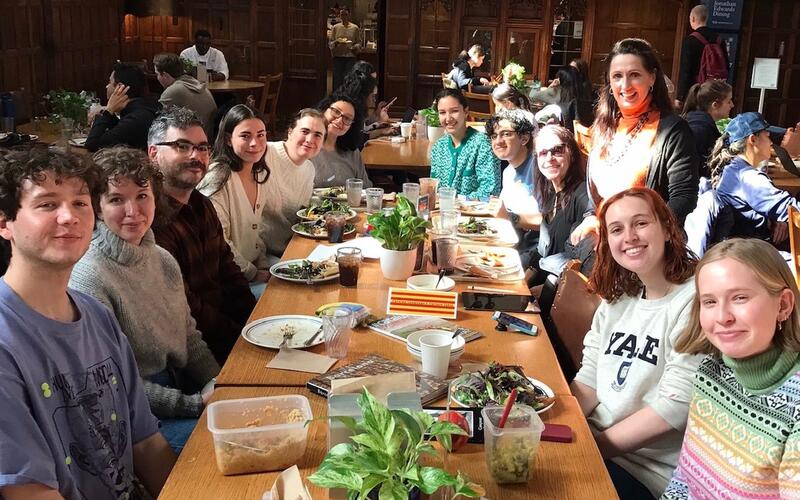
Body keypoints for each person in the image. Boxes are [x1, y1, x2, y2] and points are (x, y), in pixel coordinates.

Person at [0, 147, 175, 498]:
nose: (69, 217)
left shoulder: (96, 315)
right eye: (48, 204)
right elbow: (31, 493)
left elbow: (146, 444)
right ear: (5, 223)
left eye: (80, 203)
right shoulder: (6, 342)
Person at [70, 146, 220, 453]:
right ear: (96, 207)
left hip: (182, 390)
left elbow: (189, 338)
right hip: (137, 415)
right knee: (218, 449)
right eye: (116, 199)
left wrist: (222, 385)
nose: (132, 210)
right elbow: (112, 382)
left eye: (142, 195)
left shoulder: (162, 259)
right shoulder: (89, 275)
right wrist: (193, 404)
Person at [571, 187, 703, 499]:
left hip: (645, 471)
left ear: (668, 229)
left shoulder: (696, 300)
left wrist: (592, 448)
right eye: (616, 229)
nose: (629, 236)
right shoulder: (620, 297)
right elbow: (589, 381)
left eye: (640, 223)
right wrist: (556, 424)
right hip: (596, 445)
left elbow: (674, 407)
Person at [664, 238, 800, 499]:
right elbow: (683, 479)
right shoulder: (710, 371)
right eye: (710, 302)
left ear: (782, 305)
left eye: (739, 298)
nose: (723, 317)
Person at [147, 107, 256, 362]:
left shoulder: (200, 203)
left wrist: (254, 320)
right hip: (196, 350)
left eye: (203, 147)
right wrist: (240, 339)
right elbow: (187, 306)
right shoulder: (149, 219)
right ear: (153, 153)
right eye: (182, 146)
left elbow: (228, 266)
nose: (196, 156)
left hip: (230, 327)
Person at [571, 38, 699, 246]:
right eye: (617, 76)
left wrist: (640, 234)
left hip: (647, 250)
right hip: (603, 243)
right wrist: (590, 217)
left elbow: (684, 197)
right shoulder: (604, 126)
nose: (625, 85)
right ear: (609, 83)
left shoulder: (674, 131)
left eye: (635, 75)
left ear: (652, 78)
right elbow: (593, 194)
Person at [198, 104, 271, 297]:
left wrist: (263, 264)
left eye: (261, 135)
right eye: (245, 136)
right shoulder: (218, 177)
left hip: (253, 270)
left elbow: (258, 231)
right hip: (228, 282)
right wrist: (254, 273)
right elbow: (219, 241)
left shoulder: (258, 172)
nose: (255, 143)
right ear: (229, 140)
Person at [709, 111, 798, 247]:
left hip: (738, 246)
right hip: (750, 253)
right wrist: (783, 217)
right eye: (767, 137)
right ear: (753, 140)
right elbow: (791, 209)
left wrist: (778, 221)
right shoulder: (748, 177)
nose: (771, 142)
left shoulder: (730, 168)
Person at [261, 108, 327, 262]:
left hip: (291, 248)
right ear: (290, 132)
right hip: (261, 255)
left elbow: (301, 216)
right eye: (305, 131)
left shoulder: (309, 169)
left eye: (318, 135)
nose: (310, 139)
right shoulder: (265, 154)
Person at [532, 124, 592, 278]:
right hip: (544, 287)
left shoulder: (583, 194)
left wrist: (546, 289)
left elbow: (579, 261)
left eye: (557, 150)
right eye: (543, 153)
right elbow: (541, 254)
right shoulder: (549, 195)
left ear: (571, 153)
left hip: (563, 293)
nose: (550, 158)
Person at [486, 109, 539, 268]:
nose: (498, 141)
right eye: (494, 136)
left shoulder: (539, 167)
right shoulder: (508, 172)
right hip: (511, 243)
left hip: (534, 252)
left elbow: (550, 221)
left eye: (506, 134)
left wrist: (510, 217)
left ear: (524, 138)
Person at [429, 88, 500, 199]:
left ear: (466, 112)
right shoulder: (438, 147)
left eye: (454, 111)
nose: (448, 118)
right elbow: (434, 188)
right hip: (442, 212)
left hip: (474, 214)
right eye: (442, 112)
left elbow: (490, 190)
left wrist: (458, 200)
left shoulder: (482, 144)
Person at [85, 62, 161, 152]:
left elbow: (92, 144)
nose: (107, 86)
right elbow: (118, 132)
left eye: (110, 82)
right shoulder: (143, 107)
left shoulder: (136, 118)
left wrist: (107, 111)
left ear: (120, 87)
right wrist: (109, 111)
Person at [312, 93, 372, 188]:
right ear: (323, 110)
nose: (340, 120)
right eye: (336, 111)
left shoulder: (353, 153)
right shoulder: (308, 146)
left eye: (347, 118)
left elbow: (365, 189)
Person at [153, 52, 218, 138]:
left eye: (157, 74)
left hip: (194, 141)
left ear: (165, 75)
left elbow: (158, 123)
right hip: (209, 139)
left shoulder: (173, 91)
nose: (157, 78)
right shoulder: (196, 83)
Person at [676, 4, 728, 107]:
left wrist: (680, 96)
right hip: (714, 90)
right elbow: (726, 66)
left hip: (695, 91)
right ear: (706, 18)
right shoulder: (719, 40)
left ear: (693, 18)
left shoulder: (690, 40)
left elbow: (685, 70)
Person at [681, 79, 733, 178]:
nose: (732, 105)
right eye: (728, 101)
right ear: (715, 105)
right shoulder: (700, 131)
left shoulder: (697, 123)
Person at [530, 65, 593, 131]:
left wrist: (550, 86)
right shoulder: (583, 92)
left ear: (560, 79)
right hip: (580, 132)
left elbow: (533, 96)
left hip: (561, 130)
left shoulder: (555, 91)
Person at [328, 7, 361, 91]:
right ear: (339, 16)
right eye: (342, 15)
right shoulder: (335, 27)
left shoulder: (355, 28)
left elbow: (359, 42)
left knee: (349, 79)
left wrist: (355, 47)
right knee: (337, 80)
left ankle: (347, 99)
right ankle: (336, 99)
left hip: (350, 57)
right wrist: (336, 42)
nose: (344, 17)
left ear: (349, 15)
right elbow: (330, 43)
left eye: (345, 14)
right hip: (338, 56)